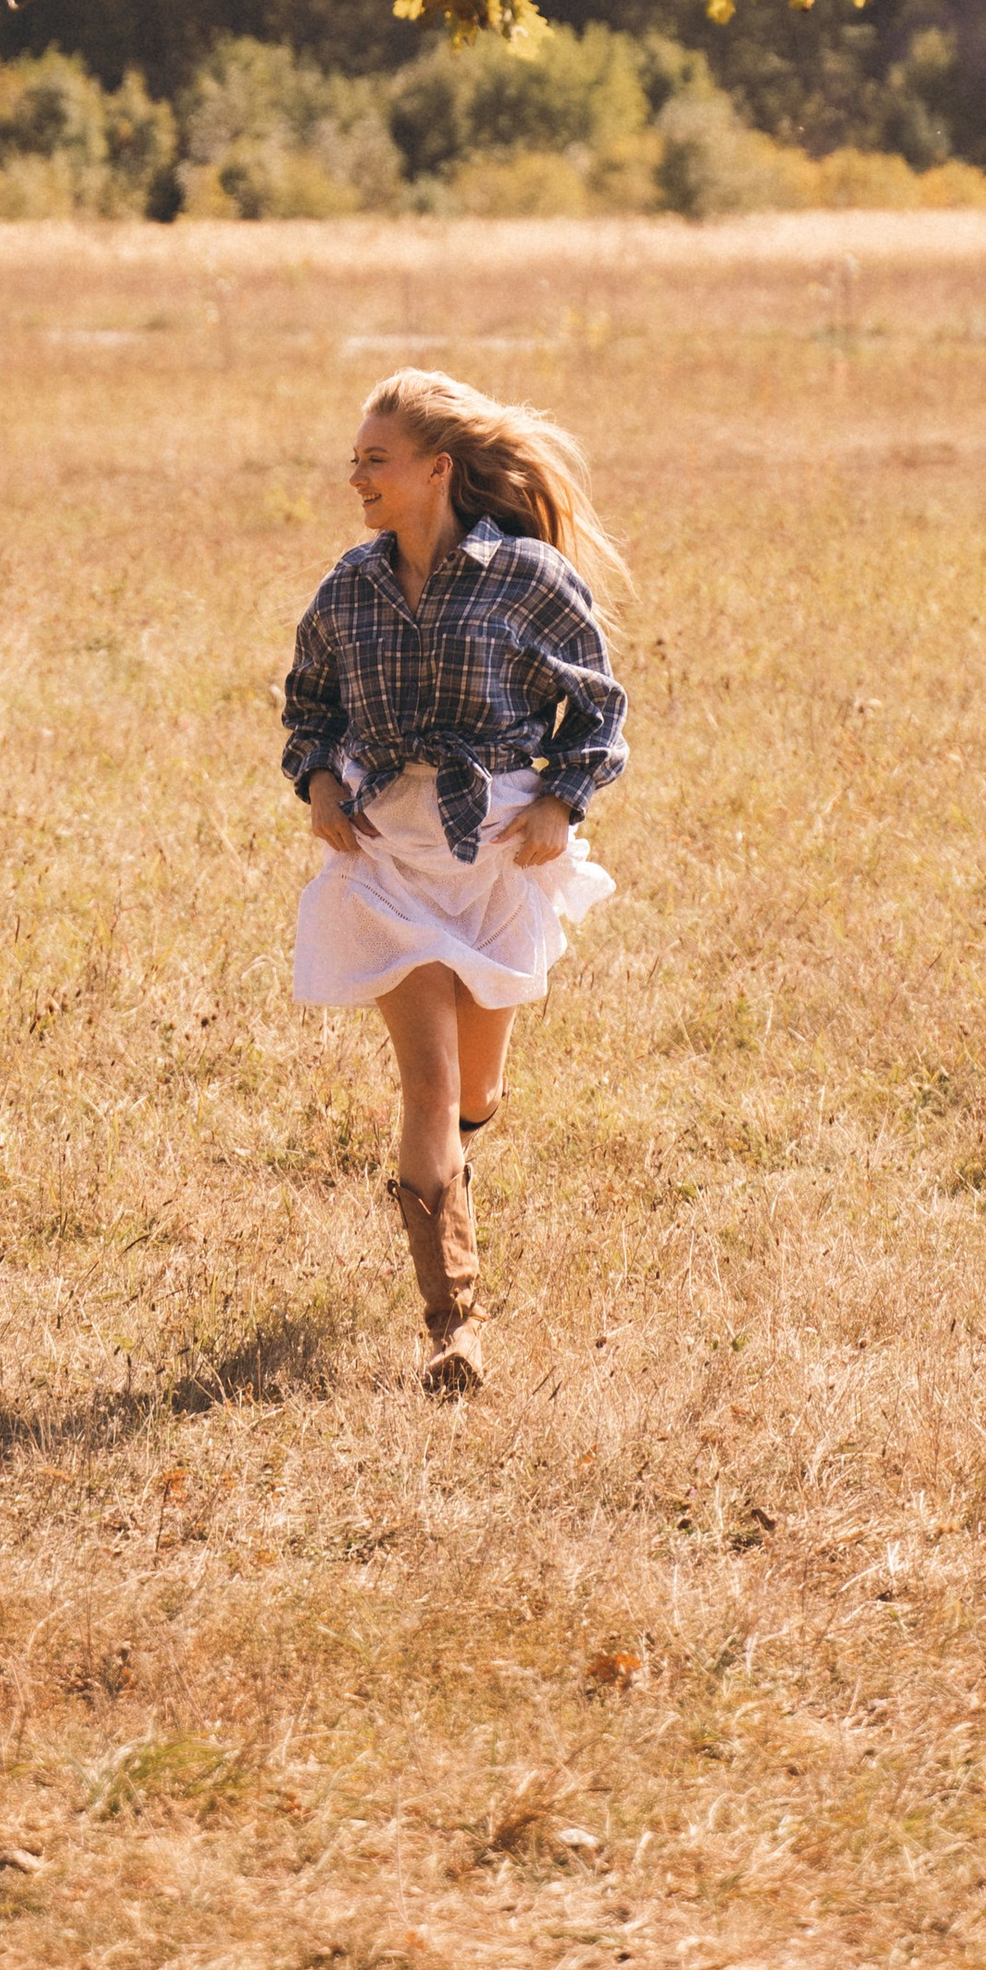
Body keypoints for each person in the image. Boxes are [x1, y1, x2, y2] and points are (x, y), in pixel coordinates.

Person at [283, 367, 629, 1394]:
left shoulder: (528, 578)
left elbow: (599, 712)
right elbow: (308, 701)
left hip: (492, 859)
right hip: (386, 860)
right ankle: (453, 1328)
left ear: (438, 470)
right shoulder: (349, 584)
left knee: (473, 1090)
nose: (356, 478)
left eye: (375, 460)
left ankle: (457, 1162)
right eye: (353, 460)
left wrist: (561, 804)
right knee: (426, 1087)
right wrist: (316, 782)